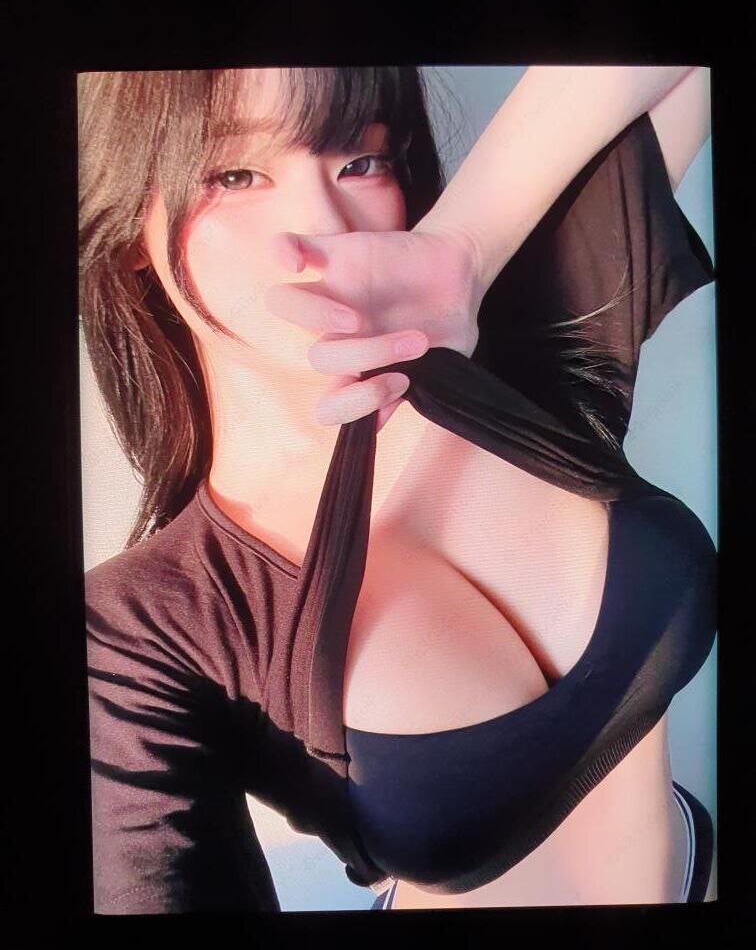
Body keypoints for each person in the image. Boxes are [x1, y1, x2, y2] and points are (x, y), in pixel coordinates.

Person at [79, 65, 716, 913]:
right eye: (234, 175)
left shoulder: (505, 346)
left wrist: (466, 247)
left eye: (361, 162)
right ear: (134, 222)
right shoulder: (139, 629)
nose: (323, 223)